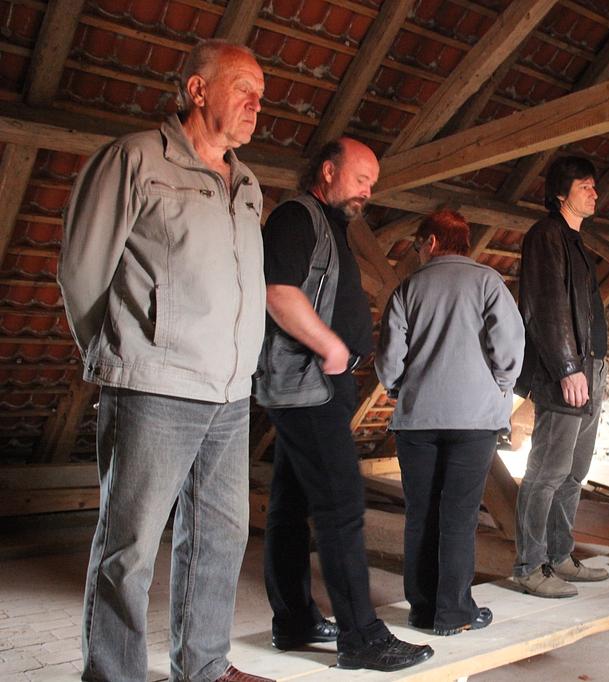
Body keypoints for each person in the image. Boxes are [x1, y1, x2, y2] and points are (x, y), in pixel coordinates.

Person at [60, 40, 272, 682]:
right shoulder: (134, 159)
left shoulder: (248, 184)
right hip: (154, 386)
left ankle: (203, 668)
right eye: (243, 88)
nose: (256, 105)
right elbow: (82, 271)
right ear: (198, 89)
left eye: (261, 95)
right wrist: (122, 356)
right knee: (128, 546)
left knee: (219, 538)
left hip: (230, 393)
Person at [254, 138, 432, 671]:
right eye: (360, 179)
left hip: (316, 384)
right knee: (341, 504)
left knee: (290, 505)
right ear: (328, 171)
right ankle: (362, 638)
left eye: (371, 183)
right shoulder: (296, 217)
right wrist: (332, 347)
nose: (368, 191)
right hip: (308, 383)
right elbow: (277, 292)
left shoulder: (329, 225)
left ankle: (295, 621)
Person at [376, 210, 524, 636]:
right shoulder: (488, 282)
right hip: (474, 421)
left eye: (418, 244)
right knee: (458, 515)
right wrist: (499, 386)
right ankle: (453, 613)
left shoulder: (408, 288)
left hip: (418, 419)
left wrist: (399, 386)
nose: (417, 252)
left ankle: (421, 609)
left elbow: (389, 356)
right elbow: (510, 346)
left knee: (420, 514)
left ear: (433, 242)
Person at [512, 156, 609, 598]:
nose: (594, 192)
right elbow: (547, 306)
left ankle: (559, 555)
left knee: (574, 472)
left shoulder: (575, 242)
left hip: (591, 367)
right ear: (560, 193)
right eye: (585, 185)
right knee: (547, 472)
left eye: (594, 185)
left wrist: (587, 367)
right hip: (566, 373)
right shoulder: (545, 236)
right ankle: (530, 566)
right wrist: (568, 367)